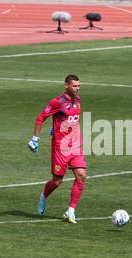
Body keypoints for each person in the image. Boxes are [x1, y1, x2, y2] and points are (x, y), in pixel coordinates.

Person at [28, 74, 86, 224]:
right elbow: (41, 117)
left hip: (76, 145)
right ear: (66, 85)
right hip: (61, 148)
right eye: (74, 86)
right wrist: (35, 139)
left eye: (79, 86)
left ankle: (71, 211)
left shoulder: (77, 100)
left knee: (81, 175)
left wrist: (60, 127)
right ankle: (44, 196)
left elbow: (71, 120)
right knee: (57, 181)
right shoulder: (57, 102)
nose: (77, 88)